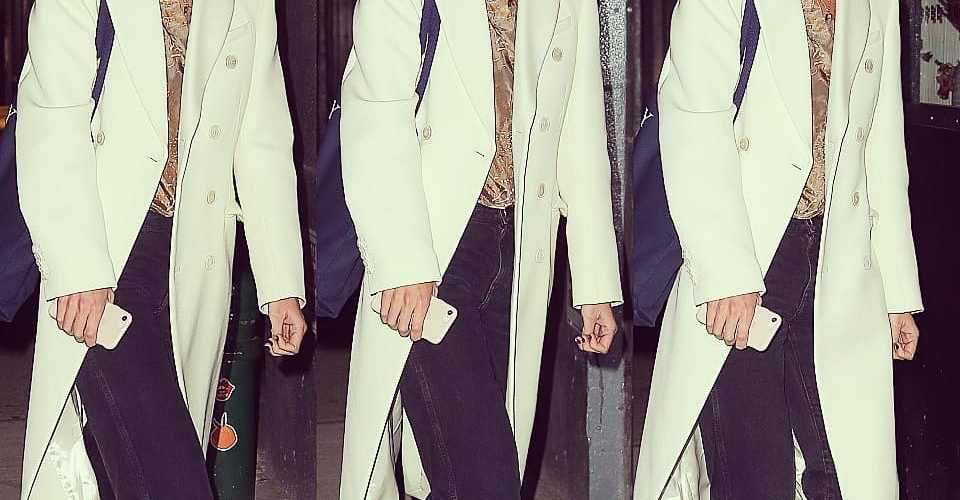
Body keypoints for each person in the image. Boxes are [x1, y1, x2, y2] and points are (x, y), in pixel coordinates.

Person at [16, 0, 307, 498]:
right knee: (169, 477)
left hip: (195, 256)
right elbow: (52, 116)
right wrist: (78, 268)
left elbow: (261, 138)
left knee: (128, 468)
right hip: (107, 255)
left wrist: (281, 284)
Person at [634, 0, 923, 498]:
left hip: (838, 260)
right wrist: (726, 272)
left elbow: (880, 136)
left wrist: (898, 292)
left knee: (849, 476)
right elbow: (694, 115)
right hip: (748, 256)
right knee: (756, 480)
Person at [337, 0, 623, 498]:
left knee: (478, 465)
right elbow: (376, 105)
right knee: (486, 479)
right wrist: (402, 261)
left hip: (520, 247)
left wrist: (595, 283)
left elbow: (579, 125)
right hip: (434, 247)